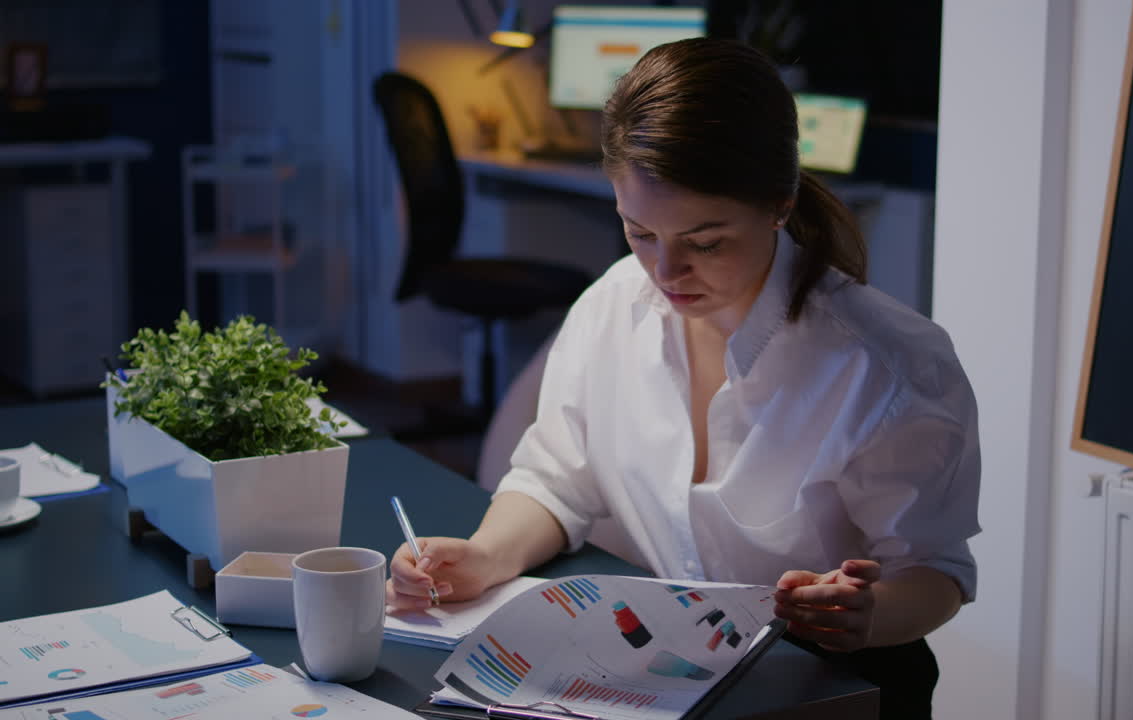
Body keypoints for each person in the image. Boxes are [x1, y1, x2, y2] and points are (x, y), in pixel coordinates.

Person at [387, 37, 979, 718]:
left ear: (779, 202)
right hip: (667, 676)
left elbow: (935, 570)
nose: (665, 274)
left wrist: (868, 612)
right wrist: (485, 556)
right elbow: (555, 481)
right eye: (639, 233)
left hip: (833, 684)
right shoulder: (614, 304)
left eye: (705, 242)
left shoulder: (888, 364)